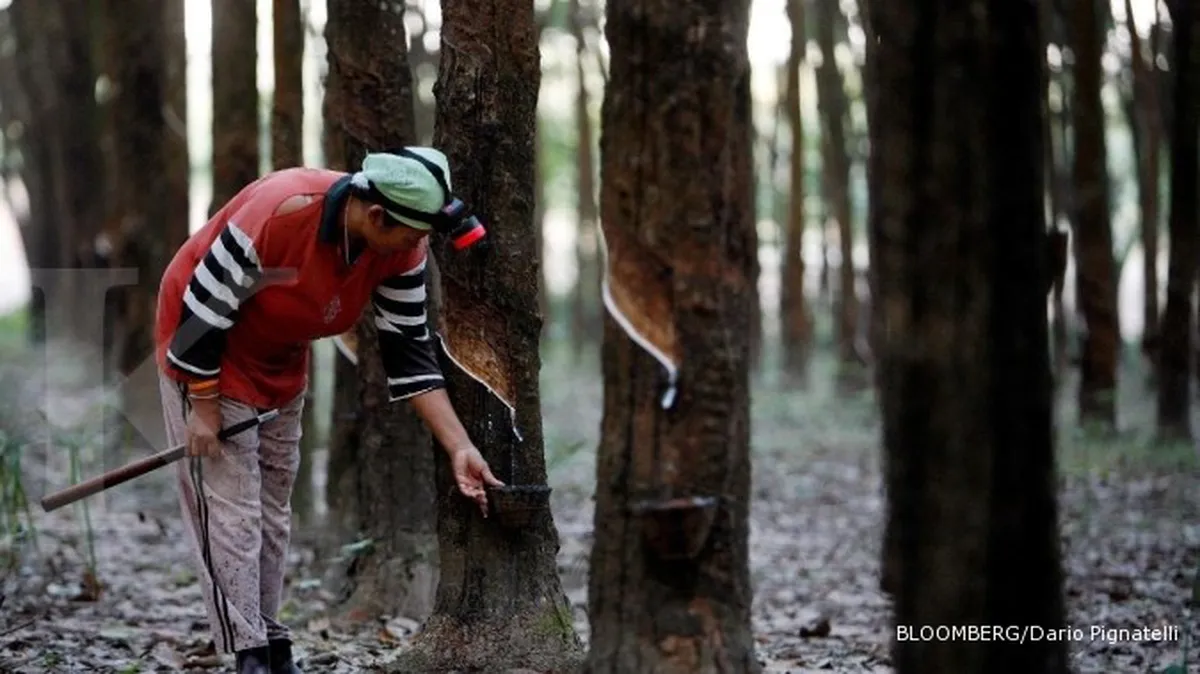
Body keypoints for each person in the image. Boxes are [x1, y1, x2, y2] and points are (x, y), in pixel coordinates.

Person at [153, 148, 504, 674]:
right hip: (204, 349)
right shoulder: (280, 212)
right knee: (232, 507)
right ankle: (249, 653)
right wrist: (202, 406)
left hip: (281, 356)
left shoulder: (402, 249)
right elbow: (201, 310)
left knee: (272, 506)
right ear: (377, 215)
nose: (417, 248)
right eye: (411, 237)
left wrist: (461, 447)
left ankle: (270, 639)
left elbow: (409, 354)